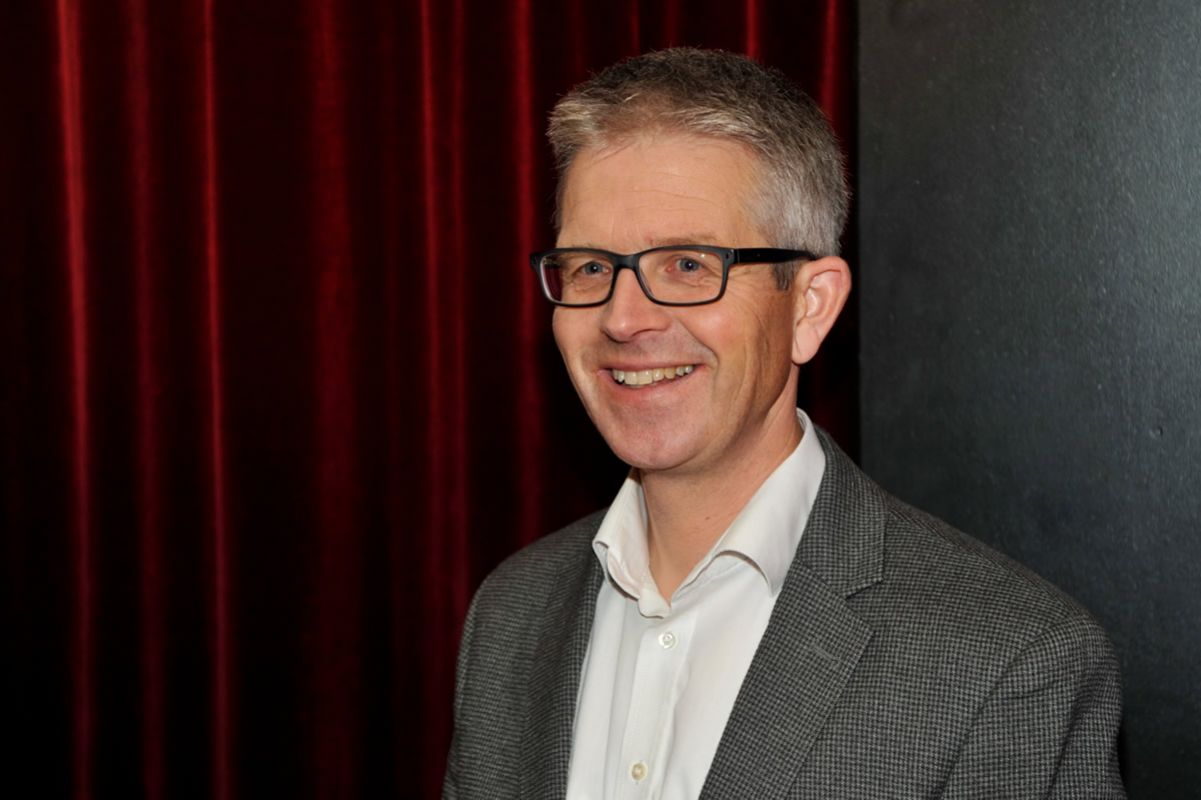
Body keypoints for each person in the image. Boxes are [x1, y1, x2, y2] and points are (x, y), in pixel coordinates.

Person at [444, 48, 1125, 799]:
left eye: (687, 265)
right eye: (591, 268)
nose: (623, 318)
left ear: (809, 306)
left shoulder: (1008, 661)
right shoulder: (512, 614)